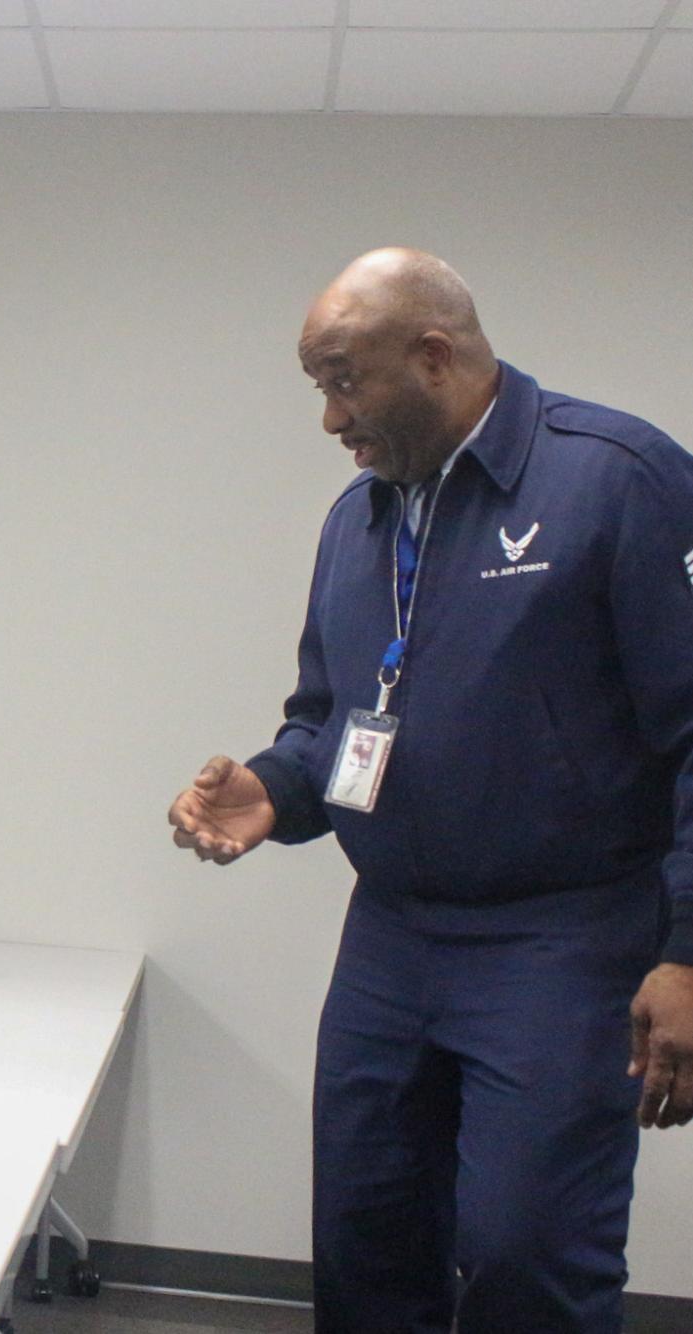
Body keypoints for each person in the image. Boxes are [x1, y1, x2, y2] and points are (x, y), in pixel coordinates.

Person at [166, 249, 693, 1332]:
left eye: (342, 381)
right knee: (364, 1241)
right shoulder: (356, 523)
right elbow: (331, 719)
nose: (328, 420)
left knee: (523, 1256)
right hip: (392, 938)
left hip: (565, 938)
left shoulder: (615, 477)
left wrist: (687, 949)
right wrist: (272, 788)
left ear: (436, 355)